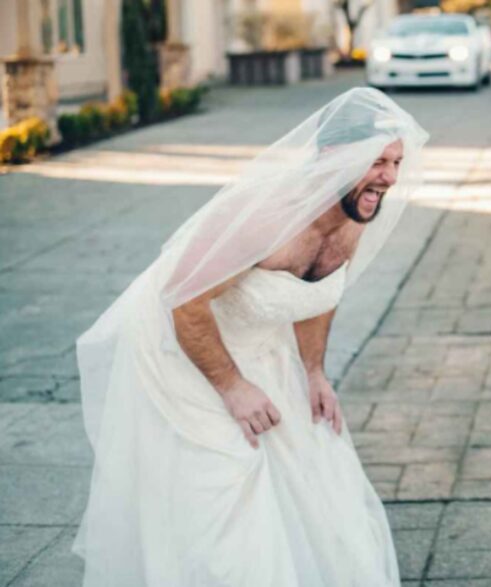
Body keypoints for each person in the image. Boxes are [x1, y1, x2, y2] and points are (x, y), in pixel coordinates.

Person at [73, 88, 429, 586]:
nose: (389, 178)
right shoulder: (265, 217)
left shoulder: (356, 214)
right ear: (333, 156)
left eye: (396, 162)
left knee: (310, 469)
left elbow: (318, 291)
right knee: (225, 485)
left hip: (258, 345)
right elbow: (182, 300)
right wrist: (233, 387)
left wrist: (313, 370)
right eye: (377, 162)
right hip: (180, 347)